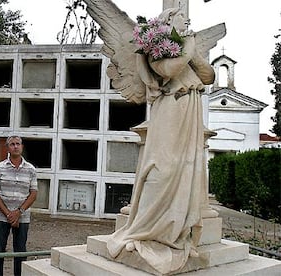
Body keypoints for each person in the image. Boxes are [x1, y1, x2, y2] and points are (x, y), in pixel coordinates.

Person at [105, 8, 217, 274]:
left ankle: (176, 227)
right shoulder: (153, 46)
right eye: (182, 17)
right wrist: (187, 48)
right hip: (169, 110)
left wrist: (191, 51)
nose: (188, 21)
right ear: (168, 22)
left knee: (185, 168)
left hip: (189, 109)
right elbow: (171, 68)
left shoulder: (185, 47)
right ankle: (149, 226)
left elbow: (208, 76)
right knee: (163, 168)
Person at [0, 135, 37, 276]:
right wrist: (8, 214)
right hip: (1, 217)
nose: (15, 146)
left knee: (20, 250)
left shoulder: (30, 169)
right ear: (7, 147)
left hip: (22, 217)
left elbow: (33, 193)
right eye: (12, 144)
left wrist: (18, 212)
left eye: (18, 144)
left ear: (22, 146)